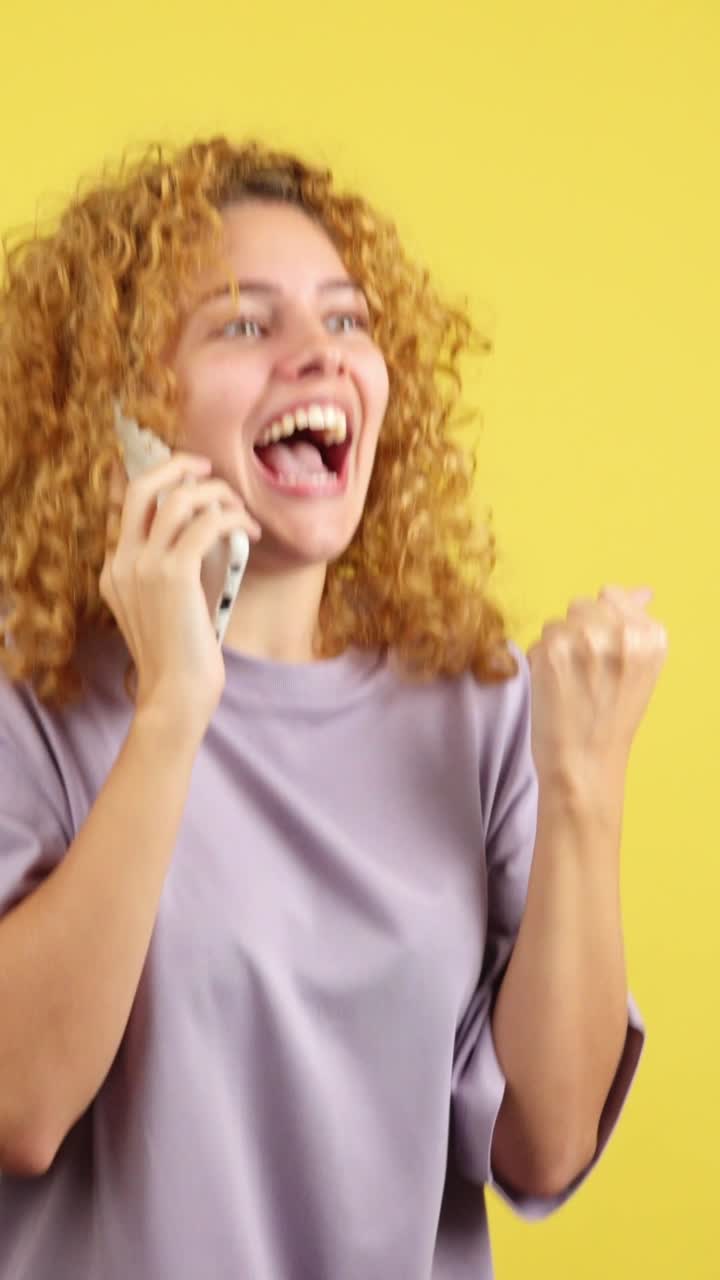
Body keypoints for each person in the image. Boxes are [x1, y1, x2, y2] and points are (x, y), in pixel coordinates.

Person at [0, 136, 667, 1279]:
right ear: (118, 408)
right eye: (244, 325)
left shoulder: (481, 707)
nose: (320, 358)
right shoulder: (33, 706)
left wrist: (583, 783)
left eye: (348, 322)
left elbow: (546, 1143)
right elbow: (20, 1102)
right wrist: (173, 710)